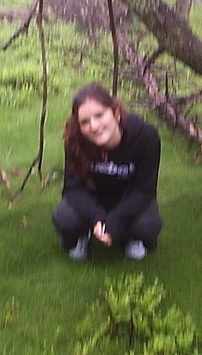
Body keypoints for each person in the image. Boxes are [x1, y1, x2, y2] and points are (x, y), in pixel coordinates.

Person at [52, 82, 162, 261]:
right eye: (84, 122)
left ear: (116, 114)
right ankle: (83, 235)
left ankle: (131, 238)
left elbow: (144, 190)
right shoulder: (75, 140)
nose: (94, 126)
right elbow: (73, 189)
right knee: (65, 219)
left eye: (99, 115)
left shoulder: (146, 136)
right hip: (92, 199)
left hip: (128, 198)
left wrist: (114, 221)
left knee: (147, 225)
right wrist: (97, 218)